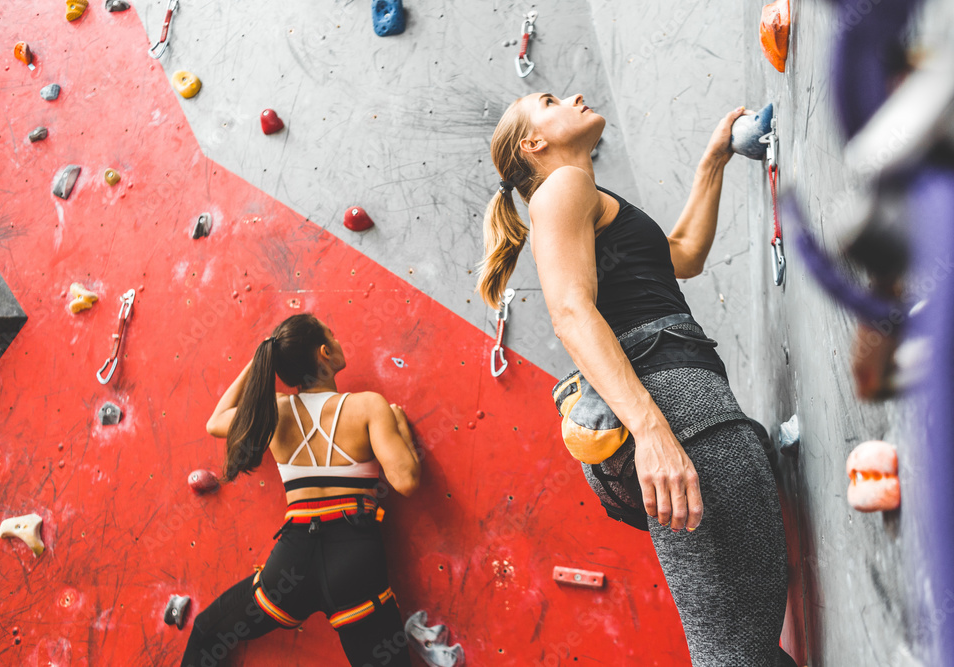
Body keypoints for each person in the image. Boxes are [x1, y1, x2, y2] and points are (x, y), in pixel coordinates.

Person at [477, 93, 796, 667]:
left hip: (672, 406)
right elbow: (571, 312)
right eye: (549, 101)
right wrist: (652, 433)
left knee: (749, 649)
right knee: (734, 655)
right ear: (534, 145)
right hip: (672, 408)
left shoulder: (588, 197)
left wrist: (712, 163)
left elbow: (684, 254)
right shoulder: (562, 189)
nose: (572, 96)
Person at [180, 313, 420, 667]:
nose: (338, 341)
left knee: (207, 631)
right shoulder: (368, 406)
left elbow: (216, 421)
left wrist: (261, 358)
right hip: (354, 560)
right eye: (333, 335)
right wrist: (401, 429)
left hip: (291, 566)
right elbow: (407, 482)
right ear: (325, 352)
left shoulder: (273, 411)